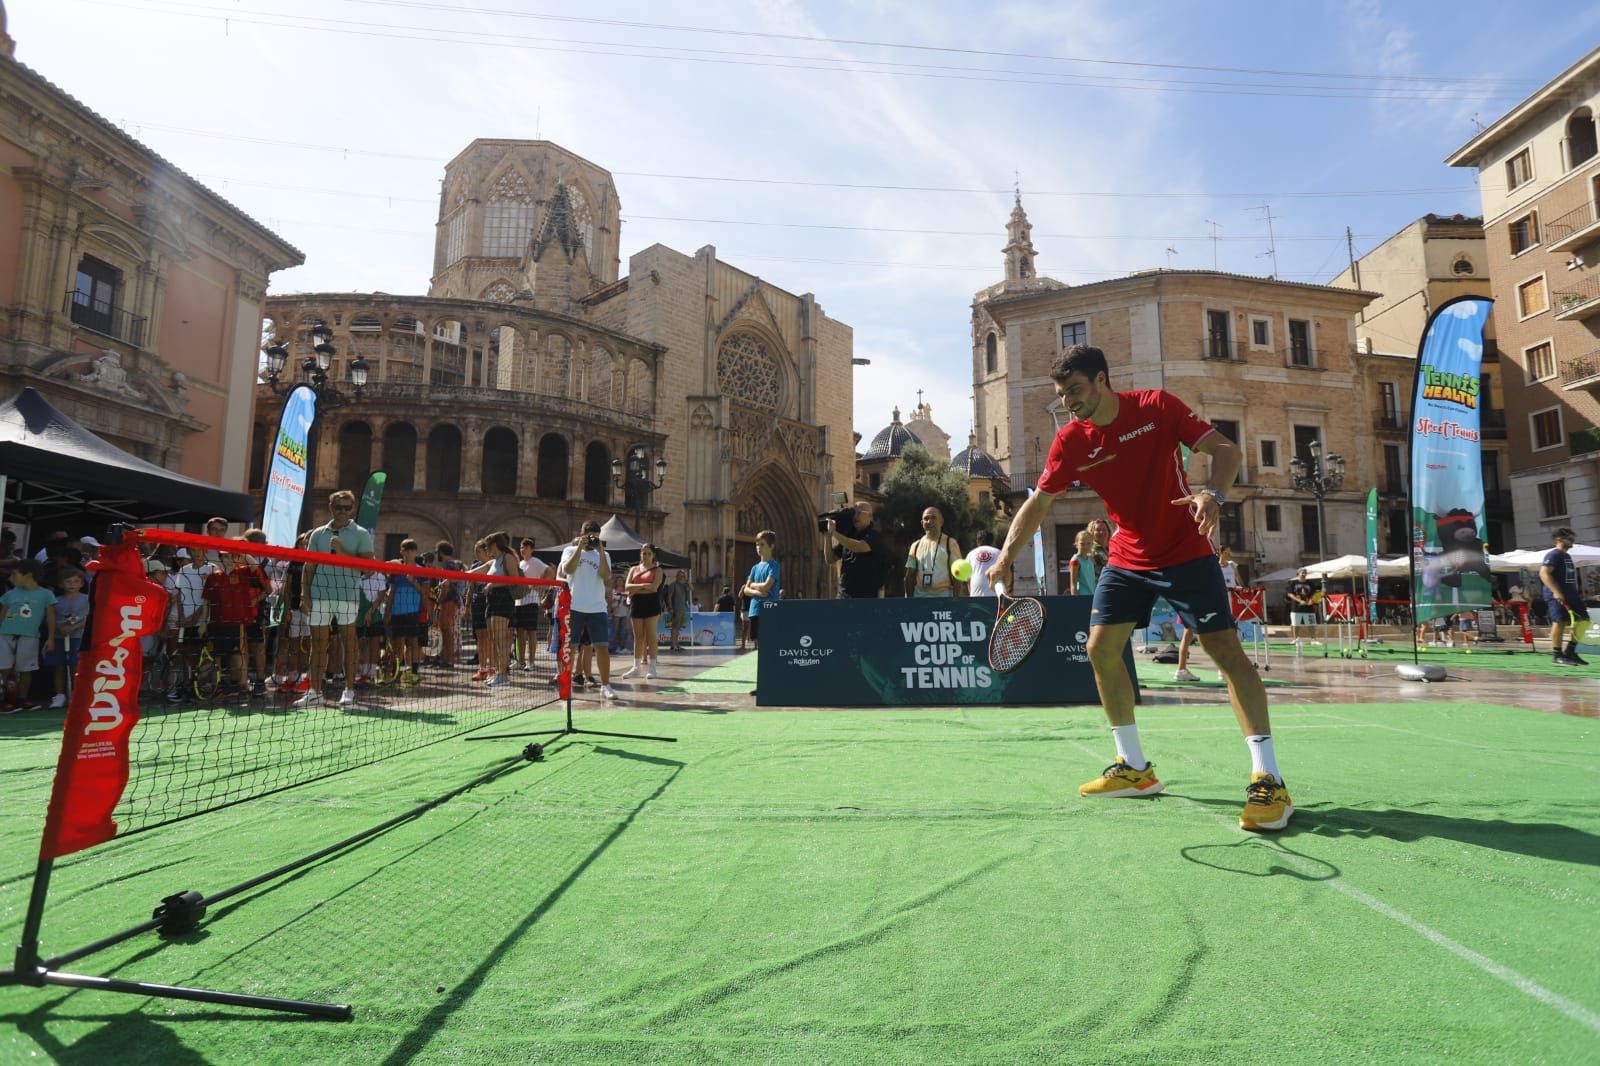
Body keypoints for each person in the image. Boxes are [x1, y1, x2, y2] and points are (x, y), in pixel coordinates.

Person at [990, 344, 1292, 832]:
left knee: (1226, 653)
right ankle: (1133, 767)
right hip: (1127, 555)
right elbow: (1039, 504)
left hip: (1185, 548)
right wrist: (1006, 556)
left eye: (1075, 390)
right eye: (1062, 394)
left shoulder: (1156, 408)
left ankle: (1269, 779)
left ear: (1102, 380)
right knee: (1100, 649)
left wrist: (1212, 493)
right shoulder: (1069, 441)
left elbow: (1226, 450)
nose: (1069, 401)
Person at [297, 490, 374, 707]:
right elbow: (309, 566)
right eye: (338, 507)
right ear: (330, 507)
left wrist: (342, 551)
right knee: (318, 644)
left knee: (348, 643)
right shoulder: (318, 534)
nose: (342, 511)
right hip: (319, 594)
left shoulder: (361, 533)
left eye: (346, 507)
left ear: (353, 509)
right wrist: (305, 594)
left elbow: (368, 567)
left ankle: (349, 690)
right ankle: (314, 692)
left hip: (347, 596)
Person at [559, 520, 615, 699]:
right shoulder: (569, 550)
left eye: (594, 536)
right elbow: (567, 570)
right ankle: (566, 683)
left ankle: (606, 686)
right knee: (570, 647)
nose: (591, 539)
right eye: (588, 535)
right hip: (574, 605)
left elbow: (606, 576)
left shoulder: (604, 555)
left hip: (597, 606)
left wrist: (600, 551)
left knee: (601, 647)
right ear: (581, 534)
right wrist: (578, 549)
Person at [0, 559, 57, 713]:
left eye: (15, 574)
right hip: (5, 635)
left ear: (28, 575)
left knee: (25, 669)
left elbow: (50, 617)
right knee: (3, 668)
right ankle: (4, 700)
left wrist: (50, 638)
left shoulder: (45, 594)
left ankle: (22, 699)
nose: (11, 578)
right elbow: (3, 614)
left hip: (30, 636)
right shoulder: (10, 594)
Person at [1175, 546, 1239, 681]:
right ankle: (1222, 670)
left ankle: (1181, 669)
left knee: (1187, 636)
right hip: (1201, 604)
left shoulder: (1183, 565)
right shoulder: (1201, 566)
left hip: (1187, 603)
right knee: (1218, 634)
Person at [468, 532, 520, 687]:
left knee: (500, 639)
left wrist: (493, 583)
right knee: (493, 639)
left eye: (487, 545)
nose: (485, 549)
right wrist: (449, 578)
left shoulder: (507, 558)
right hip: (491, 600)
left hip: (503, 600)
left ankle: (503, 674)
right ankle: (499, 672)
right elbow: (472, 573)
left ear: (494, 545)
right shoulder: (493, 562)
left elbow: (515, 580)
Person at [1540, 527, 1589, 666]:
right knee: (1559, 621)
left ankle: (1570, 652)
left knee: (1584, 620)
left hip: (1571, 594)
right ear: (1559, 538)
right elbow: (1544, 573)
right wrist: (1556, 591)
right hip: (1557, 594)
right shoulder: (1553, 554)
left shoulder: (1566, 556)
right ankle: (1557, 655)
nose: (1573, 540)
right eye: (1570, 537)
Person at [742, 530, 780, 695]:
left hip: (770, 610)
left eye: (762, 544)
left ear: (771, 546)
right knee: (759, 648)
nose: (759, 548)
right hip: (755, 610)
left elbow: (767, 586)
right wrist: (757, 592)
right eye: (757, 544)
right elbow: (745, 590)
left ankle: (772, 681)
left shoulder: (774, 565)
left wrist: (754, 587)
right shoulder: (754, 567)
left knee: (769, 647)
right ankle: (762, 683)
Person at [386, 539, 429, 683]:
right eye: (406, 550)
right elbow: (391, 593)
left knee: (413, 643)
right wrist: (388, 612)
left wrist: (413, 581)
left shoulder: (421, 571)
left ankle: (415, 672)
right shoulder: (396, 570)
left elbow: (425, 592)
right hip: (397, 612)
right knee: (398, 643)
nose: (409, 553)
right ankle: (396, 672)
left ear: (415, 552)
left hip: (413, 613)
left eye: (412, 550)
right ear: (401, 552)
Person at [46, 567, 89, 709]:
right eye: (68, 581)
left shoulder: (86, 599)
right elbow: (50, 618)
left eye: (76, 581)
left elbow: (88, 618)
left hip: (78, 637)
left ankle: (77, 693)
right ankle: (60, 695)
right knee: (59, 665)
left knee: (76, 665)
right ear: (61, 584)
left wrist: (73, 628)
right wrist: (60, 628)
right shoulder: (56, 601)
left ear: (82, 583)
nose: (72, 584)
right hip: (60, 637)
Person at [623, 544, 665, 679]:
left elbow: (654, 588)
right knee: (638, 637)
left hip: (651, 604)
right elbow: (627, 587)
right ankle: (636, 667)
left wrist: (636, 588)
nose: (645, 556)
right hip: (636, 604)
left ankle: (652, 668)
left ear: (653, 556)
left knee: (651, 636)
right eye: (643, 553)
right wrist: (643, 586)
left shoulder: (658, 570)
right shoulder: (633, 569)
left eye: (648, 553)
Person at [827, 500, 884, 598]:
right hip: (843, 595)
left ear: (870, 516)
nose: (855, 516)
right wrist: (827, 536)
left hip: (865, 597)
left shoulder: (874, 536)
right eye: (854, 513)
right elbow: (830, 558)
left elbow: (859, 547)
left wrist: (834, 534)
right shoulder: (849, 536)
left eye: (859, 513)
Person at [903, 506, 964, 598]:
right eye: (926, 518)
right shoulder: (915, 545)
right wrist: (909, 600)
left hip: (944, 598)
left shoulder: (951, 543)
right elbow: (909, 576)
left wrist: (956, 601)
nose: (929, 521)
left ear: (941, 521)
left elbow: (958, 576)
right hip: (920, 598)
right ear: (922, 523)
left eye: (933, 518)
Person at [514, 538, 548, 671]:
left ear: (531, 549)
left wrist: (538, 584)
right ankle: (521, 661)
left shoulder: (536, 562)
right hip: (518, 602)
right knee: (519, 632)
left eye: (526, 547)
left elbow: (549, 572)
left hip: (531, 601)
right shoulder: (520, 564)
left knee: (532, 633)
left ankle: (531, 662)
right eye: (522, 547)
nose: (523, 550)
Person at [431, 542, 465, 669]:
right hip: (452, 600)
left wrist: (438, 602)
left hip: (449, 600)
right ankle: (445, 658)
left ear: (441, 552)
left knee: (447, 631)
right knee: (446, 631)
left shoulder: (448, 565)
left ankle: (448, 660)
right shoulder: (453, 564)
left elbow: (446, 586)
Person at [964, 529, 1001, 597]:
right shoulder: (999, 552)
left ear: (977, 541)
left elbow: (967, 578)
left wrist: (971, 594)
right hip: (995, 592)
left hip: (976, 592)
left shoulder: (971, 554)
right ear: (992, 542)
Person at [1285, 569, 1317, 641]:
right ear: (1298, 574)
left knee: (1311, 624)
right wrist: (1299, 601)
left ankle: (1313, 639)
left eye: (1305, 573)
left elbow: (1315, 594)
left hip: (1309, 607)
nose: (1304, 574)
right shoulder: (1293, 583)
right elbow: (1290, 594)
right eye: (1302, 573)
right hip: (1296, 608)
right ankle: (1296, 639)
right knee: (1296, 624)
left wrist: (1312, 600)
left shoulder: (1310, 583)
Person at [1067, 529, 1099, 596]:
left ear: (1092, 544)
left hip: (1092, 596)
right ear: (1076, 544)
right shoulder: (1075, 561)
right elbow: (1073, 586)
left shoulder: (1091, 559)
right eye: (1082, 544)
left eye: (1088, 543)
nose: (1086, 546)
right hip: (1082, 597)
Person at [665, 570, 691, 651]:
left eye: (683, 576)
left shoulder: (683, 585)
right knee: (674, 627)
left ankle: (676, 644)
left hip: (682, 608)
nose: (681, 577)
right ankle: (673, 645)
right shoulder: (673, 585)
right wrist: (671, 608)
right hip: (676, 608)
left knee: (678, 627)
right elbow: (669, 597)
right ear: (676, 576)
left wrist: (687, 581)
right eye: (680, 575)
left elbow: (692, 588)